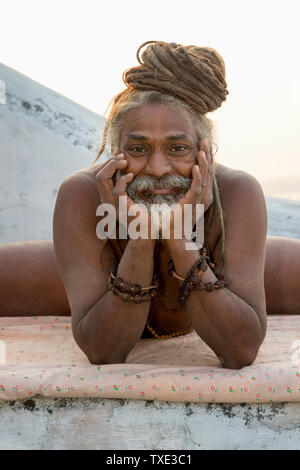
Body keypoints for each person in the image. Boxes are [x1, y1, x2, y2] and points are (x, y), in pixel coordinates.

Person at [1, 41, 300, 369]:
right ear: (116, 152)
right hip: (82, 274)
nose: (158, 169)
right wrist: (141, 240)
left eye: (178, 148)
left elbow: (240, 351)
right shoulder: (82, 194)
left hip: (232, 266)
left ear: (206, 151)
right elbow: (104, 352)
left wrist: (178, 238)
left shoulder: (237, 191)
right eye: (139, 149)